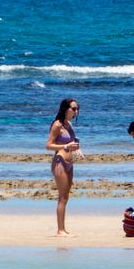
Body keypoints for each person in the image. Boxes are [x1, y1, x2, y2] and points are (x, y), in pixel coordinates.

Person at [46, 97, 82, 236]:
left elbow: (73, 140)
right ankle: (60, 230)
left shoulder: (68, 124)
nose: (76, 111)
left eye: (77, 108)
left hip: (69, 162)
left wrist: (77, 148)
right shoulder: (57, 125)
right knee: (62, 197)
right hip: (60, 161)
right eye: (73, 108)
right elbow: (48, 145)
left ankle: (63, 229)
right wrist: (66, 146)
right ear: (65, 109)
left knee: (66, 196)